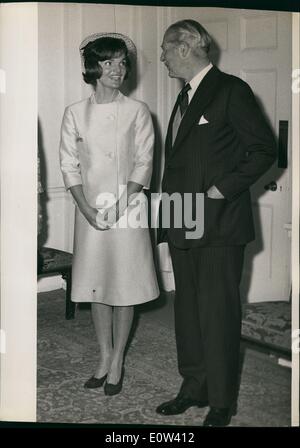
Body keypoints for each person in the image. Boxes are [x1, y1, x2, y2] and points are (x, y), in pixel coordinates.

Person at [156, 20, 277, 426]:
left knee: (218, 313)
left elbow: (263, 150)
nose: (162, 57)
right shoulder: (184, 97)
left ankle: (222, 401)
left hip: (219, 224)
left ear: (186, 47)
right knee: (186, 310)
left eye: (166, 49)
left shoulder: (230, 91)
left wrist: (222, 189)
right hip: (181, 220)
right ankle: (193, 387)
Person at [59, 32, 159, 396]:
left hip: (128, 209)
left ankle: (118, 360)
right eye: (109, 62)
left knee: (125, 285)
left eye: (122, 62)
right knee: (97, 285)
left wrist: (120, 205)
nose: (118, 70)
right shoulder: (74, 113)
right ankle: (103, 356)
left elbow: (145, 162)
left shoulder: (138, 111)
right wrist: (86, 208)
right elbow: (68, 165)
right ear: (93, 67)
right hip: (89, 212)